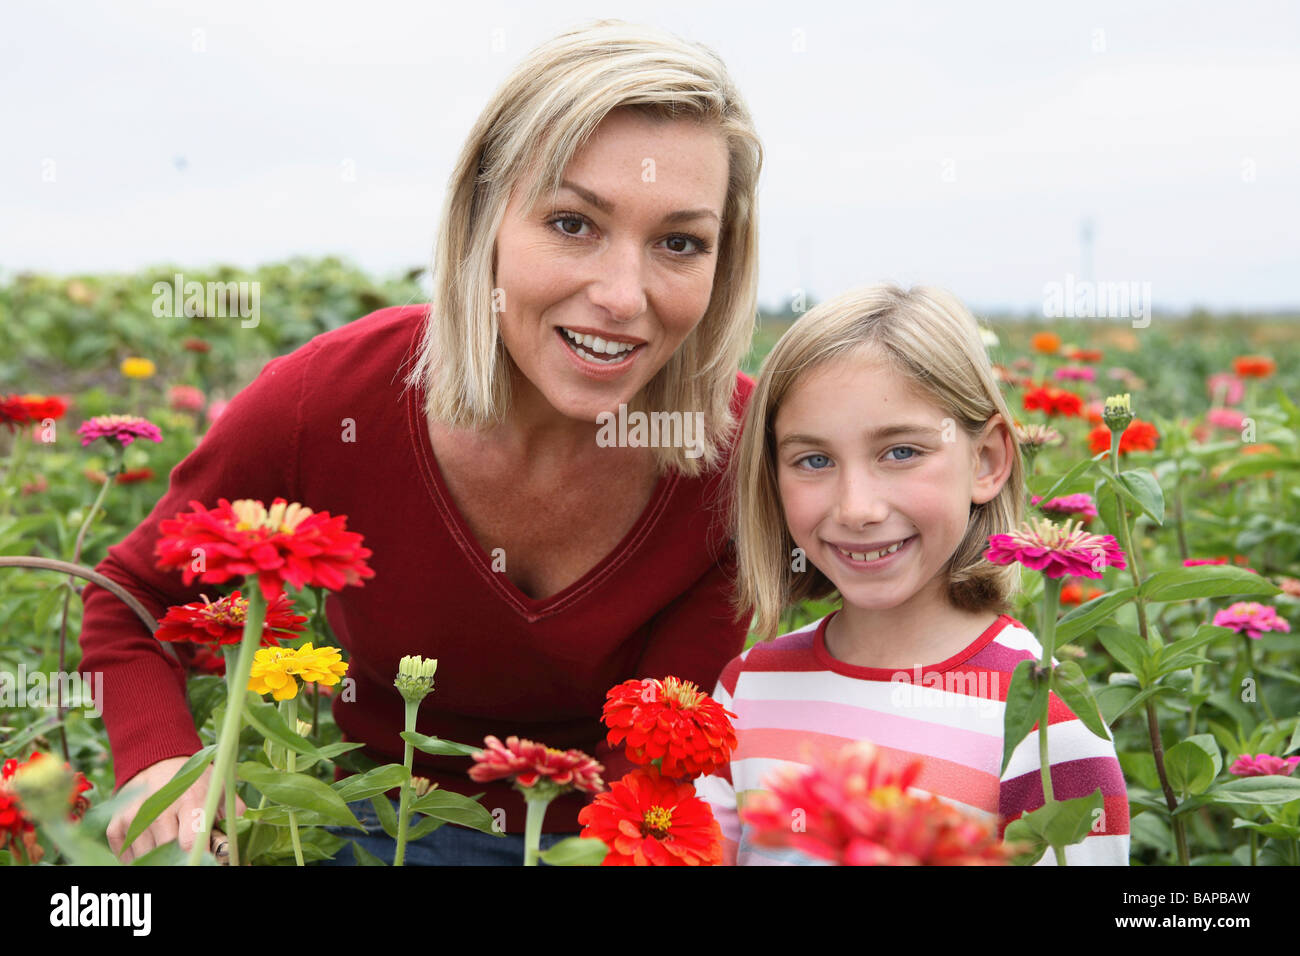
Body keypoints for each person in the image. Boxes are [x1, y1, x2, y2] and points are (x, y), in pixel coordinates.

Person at [79, 19, 764, 865]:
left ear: (723, 264)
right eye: (574, 224)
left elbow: (658, 747)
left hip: (608, 836)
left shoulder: (745, 457)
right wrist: (161, 765)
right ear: (485, 217)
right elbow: (132, 597)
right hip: (374, 822)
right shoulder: (330, 398)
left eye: (679, 243)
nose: (623, 296)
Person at [695, 284, 1131, 865]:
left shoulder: (1041, 719)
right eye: (814, 460)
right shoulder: (745, 690)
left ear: (987, 461)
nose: (856, 507)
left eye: (900, 452)